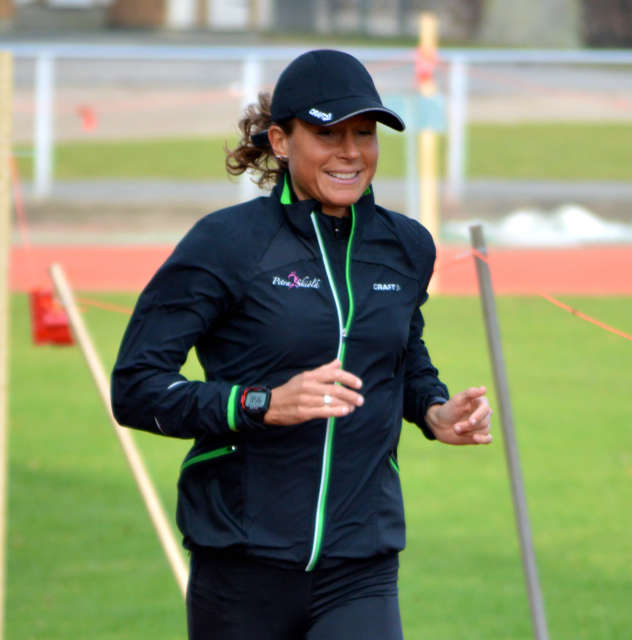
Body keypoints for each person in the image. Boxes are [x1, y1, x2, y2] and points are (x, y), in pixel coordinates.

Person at [111, 49, 492, 640]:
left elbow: (401, 352)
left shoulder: (407, 246)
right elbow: (137, 388)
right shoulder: (226, 243)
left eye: (364, 134)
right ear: (281, 141)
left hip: (362, 561)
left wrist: (432, 408)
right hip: (242, 564)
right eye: (327, 133)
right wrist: (260, 404)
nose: (350, 152)